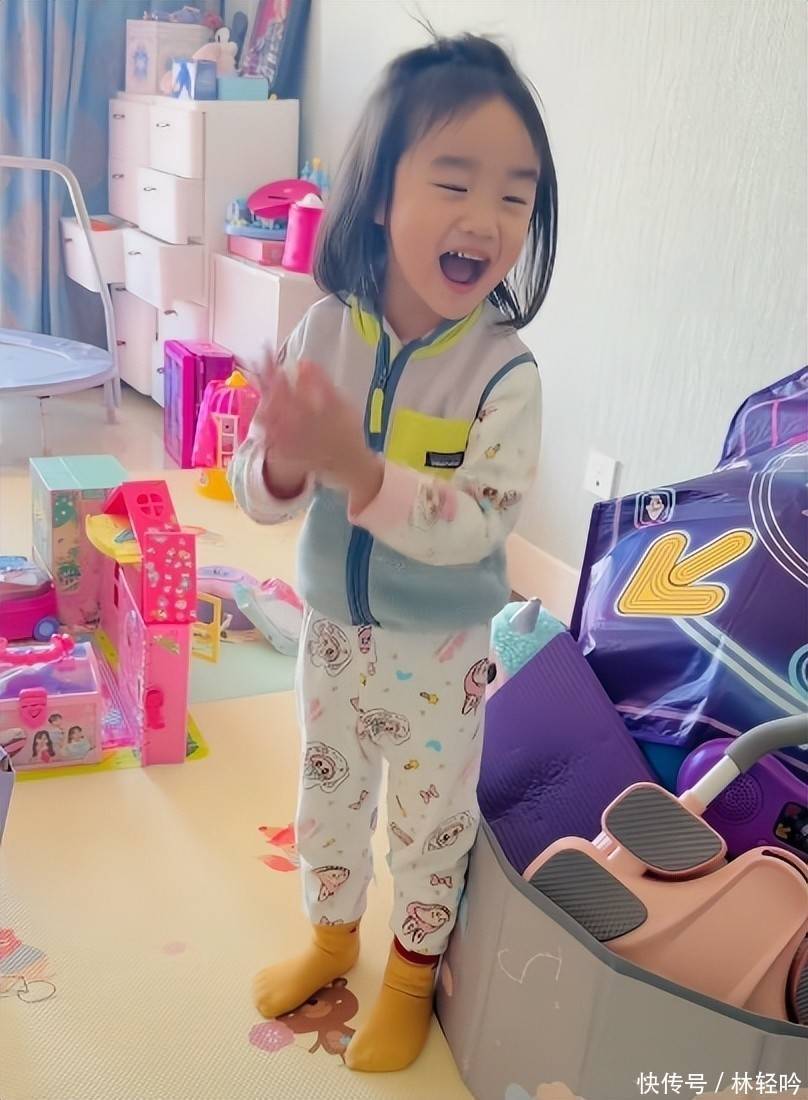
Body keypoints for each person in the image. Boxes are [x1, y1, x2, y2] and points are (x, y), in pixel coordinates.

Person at [230, 31, 557, 1072]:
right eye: (454, 182)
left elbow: (479, 520)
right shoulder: (324, 332)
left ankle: (411, 976)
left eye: (514, 196)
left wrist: (362, 471)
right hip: (332, 630)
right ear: (378, 195)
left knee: (429, 822)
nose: (485, 219)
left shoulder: (504, 375)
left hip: (440, 651)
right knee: (326, 797)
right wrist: (287, 462)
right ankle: (332, 939)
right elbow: (254, 490)